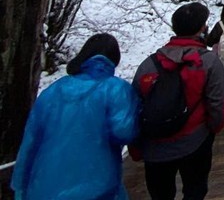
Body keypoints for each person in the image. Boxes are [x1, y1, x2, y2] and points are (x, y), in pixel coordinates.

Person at [12, 33, 139, 200]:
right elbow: (123, 132)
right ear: (115, 59)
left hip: (43, 187)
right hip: (96, 186)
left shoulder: (54, 89)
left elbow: (30, 142)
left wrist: (19, 187)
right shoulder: (116, 89)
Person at [131, 2, 224, 200]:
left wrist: (136, 146)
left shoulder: (149, 64)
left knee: (160, 195)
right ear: (202, 28)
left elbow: (134, 108)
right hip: (195, 141)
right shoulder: (208, 62)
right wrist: (211, 129)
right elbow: (218, 106)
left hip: (155, 146)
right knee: (195, 190)